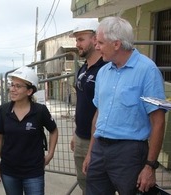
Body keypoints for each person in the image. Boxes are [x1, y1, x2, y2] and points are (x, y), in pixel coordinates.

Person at [82, 16, 166, 195]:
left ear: (117, 44)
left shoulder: (147, 71)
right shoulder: (104, 72)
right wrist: (91, 153)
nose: (96, 47)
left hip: (129, 153)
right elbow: (98, 114)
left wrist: (150, 166)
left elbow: (158, 122)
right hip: (99, 149)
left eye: (101, 43)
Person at [0, 66, 59, 195]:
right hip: (9, 171)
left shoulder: (40, 111)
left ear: (29, 91)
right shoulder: (4, 110)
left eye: (18, 86)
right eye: (12, 85)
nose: (12, 89)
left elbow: (54, 131)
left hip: (33, 171)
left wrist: (50, 154)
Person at [69, 19, 107, 195]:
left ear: (94, 39)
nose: (77, 44)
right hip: (80, 137)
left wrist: (92, 145)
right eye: (76, 40)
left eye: (81, 39)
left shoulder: (106, 69)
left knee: (97, 186)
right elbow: (83, 103)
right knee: (84, 184)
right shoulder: (83, 68)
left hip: (98, 141)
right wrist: (75, 133)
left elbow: (103, 110)